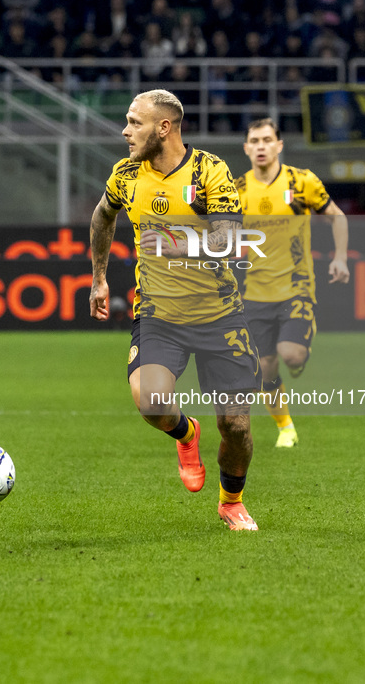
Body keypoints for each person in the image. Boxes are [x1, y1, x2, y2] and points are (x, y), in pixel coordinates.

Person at [89, 89, 262, 531]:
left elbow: (228, 243)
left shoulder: (209, 171)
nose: (125, 132)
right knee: (150, 403)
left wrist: (192, 229)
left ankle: (231, 502)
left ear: (164, 127)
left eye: (135, 122)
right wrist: (99, 278)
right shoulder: (126, 174)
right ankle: (186, 434)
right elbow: (102, 217)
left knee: (236, 427)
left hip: (218, 315)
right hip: (159, 316)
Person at [235, 118, 349, 448]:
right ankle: (286, 427)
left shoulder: (302, 183)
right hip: (255, 292)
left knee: (292, 355)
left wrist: (340, 257)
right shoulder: (238, 190)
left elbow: (336, 216)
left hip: (296, 286)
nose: (260, 146)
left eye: (267, 140)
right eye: (254, 141)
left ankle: (300, 348)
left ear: (279, 145)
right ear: (245, 148)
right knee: (266, 370)